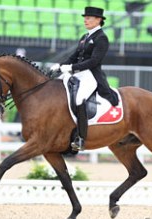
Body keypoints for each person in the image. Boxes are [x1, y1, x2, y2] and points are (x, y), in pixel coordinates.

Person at [50, 6, 119, 151]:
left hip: (91, 75)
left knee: (79, 98)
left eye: (89, 18)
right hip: (78, 73)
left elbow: (94, 61)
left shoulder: (102, 38)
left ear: (98, 20)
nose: (85, 20)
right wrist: (60, 65)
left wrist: (72, 68)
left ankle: (81, 138)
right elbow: (74, 56)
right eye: (85, 18)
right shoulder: (85, 37)